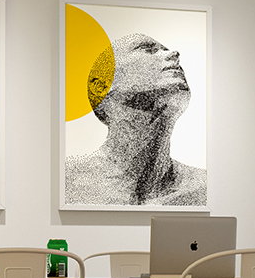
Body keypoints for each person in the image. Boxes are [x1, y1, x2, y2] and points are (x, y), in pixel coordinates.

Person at [63, 32, 207, 205]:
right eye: (148, 49)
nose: (174, 54)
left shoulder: (205, 188)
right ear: (101, 86)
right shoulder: (64, 180)